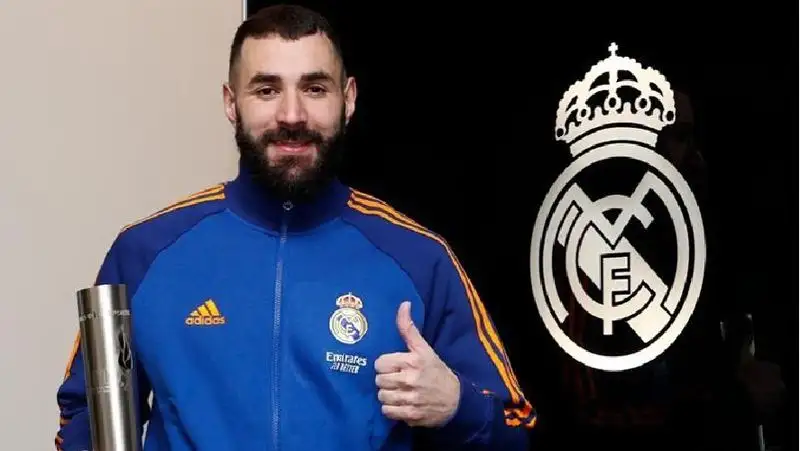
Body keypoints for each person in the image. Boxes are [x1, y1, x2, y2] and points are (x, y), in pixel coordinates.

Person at [54, 4, 536, 451]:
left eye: (315, 88)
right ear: (231, 102)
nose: (292, 115)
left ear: (348, 99)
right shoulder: (143, 252)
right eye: (266, 90)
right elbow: (86, 414)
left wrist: (456, 406)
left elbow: (516, 429)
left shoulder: (419, 257)